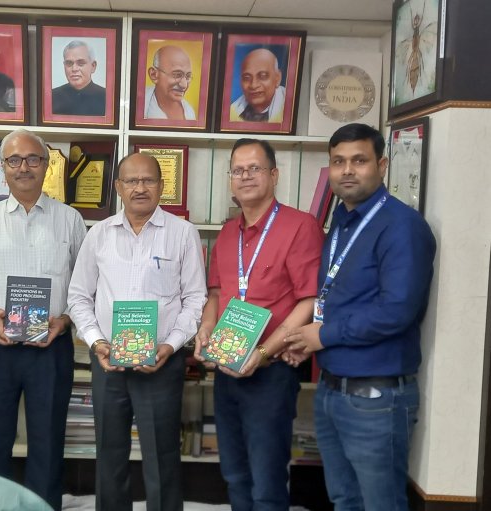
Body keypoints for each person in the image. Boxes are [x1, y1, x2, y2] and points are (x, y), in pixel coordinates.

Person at [284, 123, 436, 511]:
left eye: (359, 160)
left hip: (376, 397)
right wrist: (310, 340)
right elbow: (335, 295)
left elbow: (396, 312)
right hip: (332, 391)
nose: (347, 170)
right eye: (338, 162)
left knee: (380, 504)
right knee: (344, 500)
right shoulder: (342, 221)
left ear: (382, 165)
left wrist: (325, 335)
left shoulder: (402, 227)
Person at [68, 152, 207, 511]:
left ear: (162, 187)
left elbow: (194, 299)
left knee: (162, 456)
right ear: (118, 187)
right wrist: (97, 342)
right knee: (109, 453)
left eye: (148, 180)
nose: (140, 188)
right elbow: (78, 297)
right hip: (108, 363)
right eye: (131, 181)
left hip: (162, 364)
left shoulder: (182, 234)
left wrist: (171, 345)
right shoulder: (98, 234)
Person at [0, 129, 87, 510]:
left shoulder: (71, 220)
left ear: (47, 165)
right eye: (14, 160)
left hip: (52, 344)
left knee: (48, 439)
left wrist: (63, 322)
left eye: (33, 159)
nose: (24, 167)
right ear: (2, 168)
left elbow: (84, 284)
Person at [194, 139, 324, 511]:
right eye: (238, 170)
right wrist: (206, 327)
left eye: (255, 168)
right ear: (230, 179)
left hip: (271, 371)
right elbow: (217, 293)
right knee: (234, 472)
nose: (246, 176)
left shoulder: (301, 226)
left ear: (274, 174)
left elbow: (310, 300)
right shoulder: (228, 232)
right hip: (226, 367)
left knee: (267, 478)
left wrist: (266, 350)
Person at [51, 40, 106, 116]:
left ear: (93, 66)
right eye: (69, 63)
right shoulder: (51, 96)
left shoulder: (107, 97)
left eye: (81, 63)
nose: (74, 69)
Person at [230, 48, 285, 123]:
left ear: (277, 78)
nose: (253, 85)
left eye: (262, 76)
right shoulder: (232, 111)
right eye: (247, 78)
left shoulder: (289, 107)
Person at [144, 45, 196, 121]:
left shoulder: (190, 113)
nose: (184, 85)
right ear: (154, 75)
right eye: (177, 75)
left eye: (188, 76)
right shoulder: (140, 103)